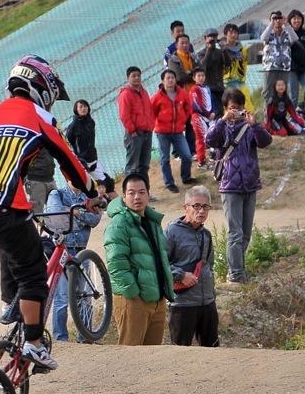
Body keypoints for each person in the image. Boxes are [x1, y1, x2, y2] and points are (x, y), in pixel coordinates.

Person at [0, 54, 98, 370]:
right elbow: (71, 164)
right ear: (43, 87)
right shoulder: (40, 117)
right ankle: (34, 344)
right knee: (35, 271)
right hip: (3, 205)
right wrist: (92, 193)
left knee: (14, 246)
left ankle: (12, 303)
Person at [206, 89, 273, 283]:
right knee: (234, 232)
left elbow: (265, 141)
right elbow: (209, 140)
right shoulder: (221, 127)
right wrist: (223, 120)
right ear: (226, 108)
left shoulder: (249, 127)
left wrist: (255, 124)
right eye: (233, 108)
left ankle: (238, 269)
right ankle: (235, 274)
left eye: (240, 108)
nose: (237, 112)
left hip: (250, 184)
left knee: (245, 234)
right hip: (230, 185)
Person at [103, 173, 173, 346]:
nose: (137, 197)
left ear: (148, 194)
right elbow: (116, 264)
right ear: (124, 196)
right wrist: (133, 294)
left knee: (152, 358)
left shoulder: (152, 221)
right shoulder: (118, 224)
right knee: (130, 358)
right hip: (133, 300)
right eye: (131, 193)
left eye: (141, 192)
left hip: (156, 298)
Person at [45, 184, 102, 342]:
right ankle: (60, 340)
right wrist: (82, 215)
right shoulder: (56, 194)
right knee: (62, 299)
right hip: (63, 251)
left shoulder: (90, 196)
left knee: (85, 298)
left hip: (82, 251)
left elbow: (95, 218)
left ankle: (85, 337)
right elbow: (57, 216)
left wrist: (73, 211)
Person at [164, 185, 218, 347]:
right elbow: (161, 264)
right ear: (186, 208)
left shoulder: (206, 234)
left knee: (213, 350)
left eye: (205, 207)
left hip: (207, 303)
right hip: (182, 304)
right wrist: (180, 275)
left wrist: (211, 294)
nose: (201, 211)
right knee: (180, 353)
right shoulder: (172, 232)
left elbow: (209, 265)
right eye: (196, 206)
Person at [150, 69, 194, 193]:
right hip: (163, 132)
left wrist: (182, 120)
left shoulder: (182, 93)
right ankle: (169, 182)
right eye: (168, 78)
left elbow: (188, 108)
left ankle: (186, 177)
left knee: (187, 155)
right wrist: (155, 125)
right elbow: (151, 112)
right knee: (165, 158)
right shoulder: (157, 96)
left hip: (178, 131)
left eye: (172, 78)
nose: (170, 80)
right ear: (163, 81)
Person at [65, 99, 117, 196]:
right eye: (80, 107)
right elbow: (68, 143)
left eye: (85, 106)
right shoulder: (73, 126)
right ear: (76, 109)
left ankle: (121, 207)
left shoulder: (91, 122)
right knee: (79, 188)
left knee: (108, 184)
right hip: (81, 162)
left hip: (93, 160)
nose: (83, 109)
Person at [118, 66, 156, 181]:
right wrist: (132, 131)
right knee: (132, 166)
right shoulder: (125, 94)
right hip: (135, 134)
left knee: (144, 165)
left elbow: (149, 109)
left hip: (147, 132)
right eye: (133, 76)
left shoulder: (144, 92)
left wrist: (151, 126)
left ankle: (145, 192)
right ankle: (129, 193)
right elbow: (124, 115)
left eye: (138, 75)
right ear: (128, 78)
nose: (136, 78)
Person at [260, 10, 297, 101]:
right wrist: (271, 24)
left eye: (279, 18)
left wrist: (287, 24)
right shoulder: (269, 32)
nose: (277, 20)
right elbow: (263, 38)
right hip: (270, 67)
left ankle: (281, 112)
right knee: (268, 92)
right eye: (275, 19)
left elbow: (295, 39)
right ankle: (268, 112)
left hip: (284, 67)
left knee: (282, 91)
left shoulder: (286, 32)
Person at [221, 23, 253, 110]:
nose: (233, 35)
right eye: (231, 33)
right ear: (225, 34)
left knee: (248, 107)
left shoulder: (243, 50)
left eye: (235, 33)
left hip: (240, 82)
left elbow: (244, 66)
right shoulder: (222, 50)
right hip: (227, 83)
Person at [287, 10, 305, 105]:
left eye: (299, 18)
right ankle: (292, 116)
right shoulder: (286, 35)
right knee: (293, 94)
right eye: (294, 18)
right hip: (292, 69)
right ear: (290, 20)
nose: (297, 20)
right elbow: (286, 53)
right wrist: (294, 67)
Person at [196, 28, 225, 116]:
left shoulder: (219, 52)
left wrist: (225, 50)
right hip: (209, 90)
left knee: (223, 112)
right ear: (205, 38)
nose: (212, 38)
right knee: (216, 114)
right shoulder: (201, 53)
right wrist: (209, 50)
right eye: (210, 36)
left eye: (214, 36)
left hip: (220, 88)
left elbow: (228, 63)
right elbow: (203, 66)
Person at [189, 67, 213, 169]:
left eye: (203, 75)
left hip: (209, 116)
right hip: (198, 117)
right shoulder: (194, 89)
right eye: (199, 76)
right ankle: (201, 161)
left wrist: (213, 112)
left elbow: (210, 101)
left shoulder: (207, 88)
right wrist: (208, 114)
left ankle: (213, 156)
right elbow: (196, 105)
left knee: (213, 135)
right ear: (194, 78)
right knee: (201, 139)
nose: (201, 78)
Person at [25, 148, 57, 215]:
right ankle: (36, 224)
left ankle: (52, 224)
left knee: (56, 206)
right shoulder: (32, 141)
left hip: (50, 178)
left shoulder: (48, 142)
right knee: (36, 209)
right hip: (35, 179)